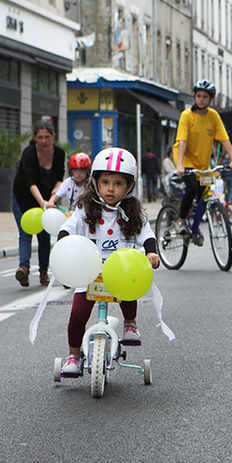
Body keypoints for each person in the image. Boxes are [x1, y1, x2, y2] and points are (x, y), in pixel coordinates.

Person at [56, 147, 160, 376]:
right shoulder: (85, 208)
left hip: (121, 271)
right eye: (105, 182)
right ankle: (73, 355)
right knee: (77, 314)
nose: (111, 188)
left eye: (118, 183)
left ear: (129, 186)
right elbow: (69, 226)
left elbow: (147, 234)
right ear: (95, 182)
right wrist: (63, 241)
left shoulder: (133, 212)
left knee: (129, 289)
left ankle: (130, 322)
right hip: (89, 271)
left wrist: (151, 252)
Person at [172, 79, 232, 240]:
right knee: (192, 187)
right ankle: (181, 221)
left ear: (210, 99)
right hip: (185, 159)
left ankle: (194, 227)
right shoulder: (187, 115)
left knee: (204, 193)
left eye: (205, 97)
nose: (201, 99)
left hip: (203, 163)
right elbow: (182, 140)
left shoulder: (213, 116)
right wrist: (180, 165)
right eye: (199, 96)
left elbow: (224, 139)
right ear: (195, 97)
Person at [11, 120, 65, 287]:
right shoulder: (28, 153)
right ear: (34, 137)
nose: (43, 141)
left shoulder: (59, 153)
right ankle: (24, 269)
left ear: (53, 136)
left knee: (44, 236)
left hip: (47, 199)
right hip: (23, 198)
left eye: (47, 137)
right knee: (25, 233)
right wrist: (42, 202)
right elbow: (29, 181)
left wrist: (51, 200)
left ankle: (43, 273)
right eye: (40, 137)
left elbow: (59, 180)